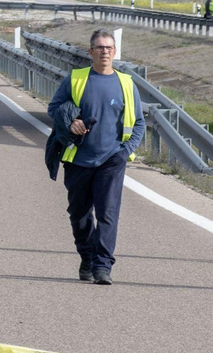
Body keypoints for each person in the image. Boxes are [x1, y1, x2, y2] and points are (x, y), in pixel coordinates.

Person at [46, 29, 146, 285]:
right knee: (79, 215)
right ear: (90, 52)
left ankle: (103, 266)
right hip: (78, 158)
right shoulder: (76, 79)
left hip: (112, 159)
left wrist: (125, 152)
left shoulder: (126, 83)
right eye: (99, 47)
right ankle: (87, 256)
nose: (104, 51)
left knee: (107, 214)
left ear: (115, 52)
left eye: (109, 48)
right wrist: (71, 124)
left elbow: (139, 124)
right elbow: (54, 108)